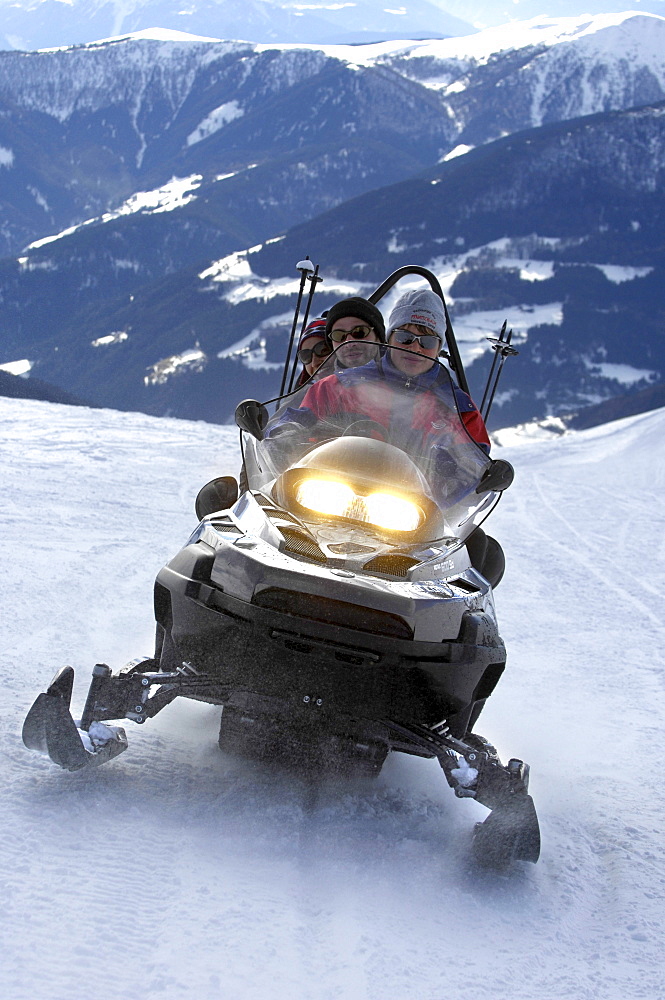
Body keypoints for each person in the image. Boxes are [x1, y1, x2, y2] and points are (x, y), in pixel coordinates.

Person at [324, 296, 385, 370]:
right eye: (339, 336)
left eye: (359, 332)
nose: (349, 343)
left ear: (378, 337)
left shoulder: (401, 377)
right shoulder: (326, 382)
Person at [294, 317, 332, 387]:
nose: (314, 363)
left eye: (323, 350)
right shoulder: (306, 397)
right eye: (306, 356)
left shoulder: (358, 388)